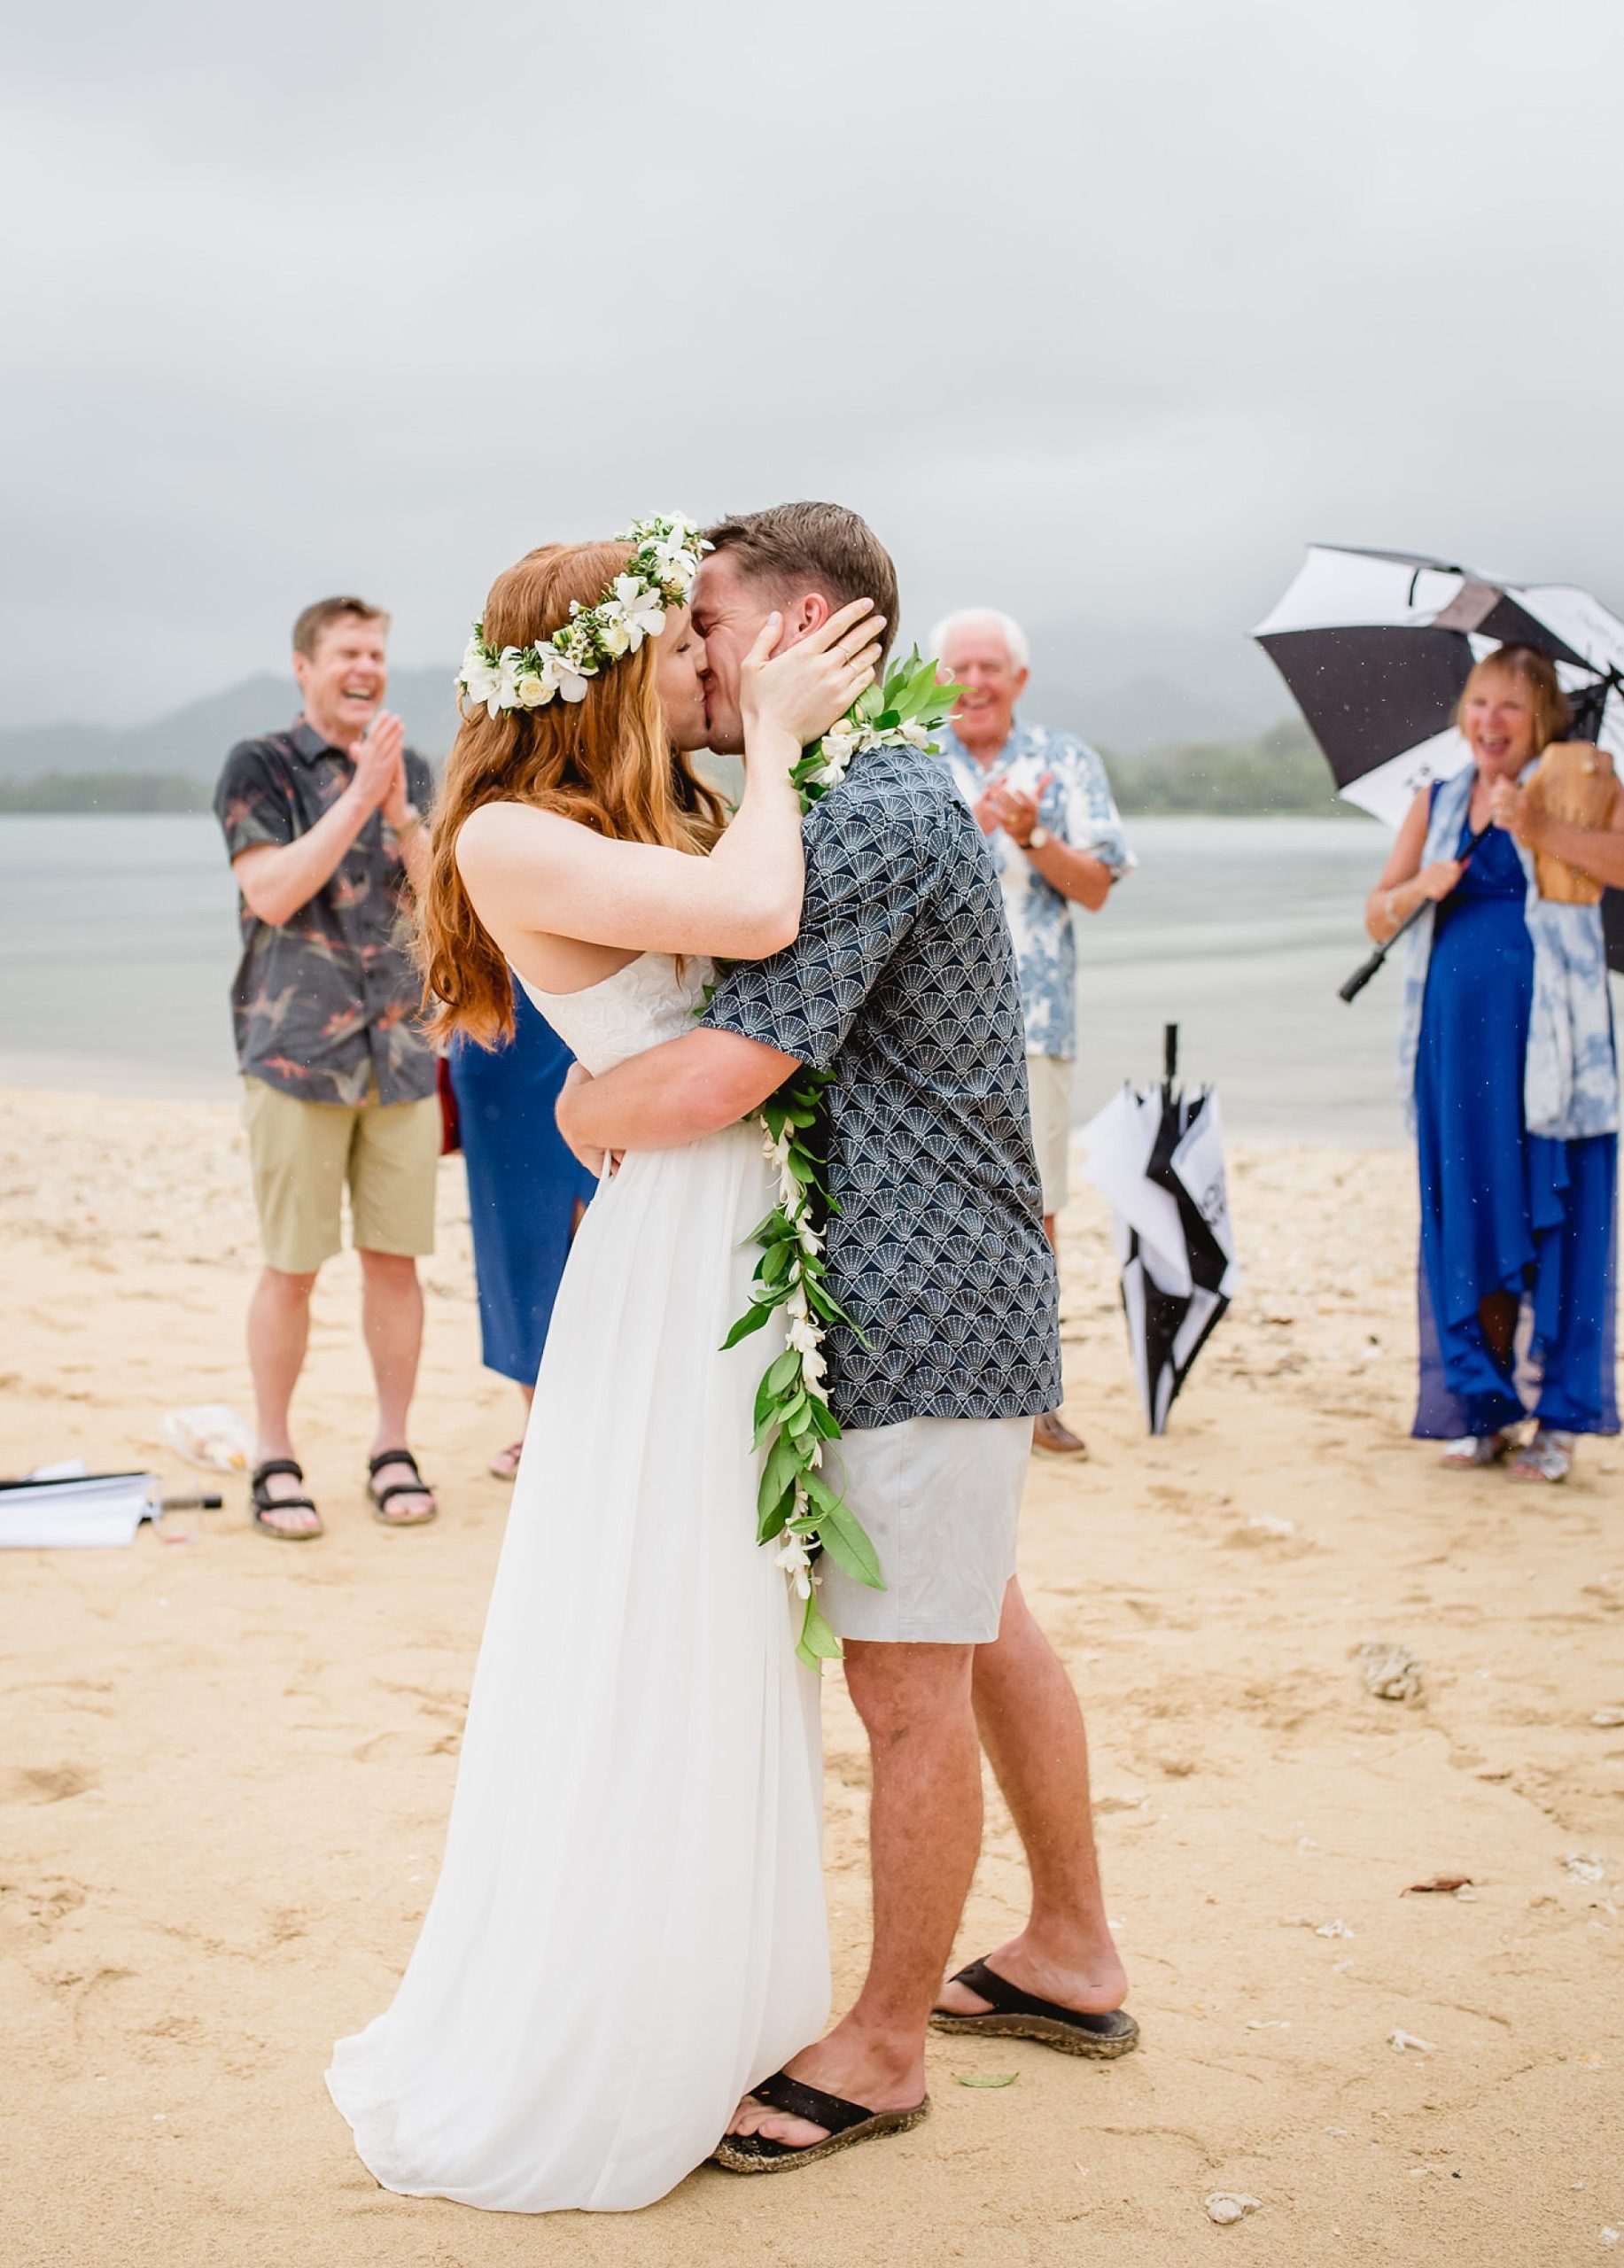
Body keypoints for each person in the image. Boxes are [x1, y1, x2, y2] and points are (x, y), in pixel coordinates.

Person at [559, 505, 1134, 2180]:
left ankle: (884, 2049)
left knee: (902, 1681)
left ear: (808, 625)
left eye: (709, 622)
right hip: (916, 1280)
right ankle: (1071, 1954)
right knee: (975, 1623)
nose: (693, 651)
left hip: (926, 1297)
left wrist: (584, 1101)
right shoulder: (839, 793)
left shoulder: (873, 809)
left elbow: (729, 1070)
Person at [325, 517, 886, 2211]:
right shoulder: (510, 834)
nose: (700, 673)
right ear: (591, 672)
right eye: (671, 650)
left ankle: (716, 1994)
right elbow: (760, 907)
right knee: (663, 1613)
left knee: (725, 1620)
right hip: (672, 1259)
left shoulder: (638, 814)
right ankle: (615, 2023)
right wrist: (781, 746)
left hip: (728, 1225)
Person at [214, 597, 441, 1539]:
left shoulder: (411, 767)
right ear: (304, 666)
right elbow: (270, 893)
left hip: (400, 1055)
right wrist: (358, 799)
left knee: (396, 1262)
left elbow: (443, 909)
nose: (366, 667)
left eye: (377, 652)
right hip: (295, 1055)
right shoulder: (259, 765)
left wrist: (402, 813)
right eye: (348, 651)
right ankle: (275, 1449)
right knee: (293, 1265)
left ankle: (392, 1443)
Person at [1366, 644, 1621, 1482]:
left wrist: (1537, 826)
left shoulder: (1585, 780)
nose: (1488, 722)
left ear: (1541, 716)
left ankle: (1559, 1419)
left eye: (1509, 707)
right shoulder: (1433, 801)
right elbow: (1376, 916)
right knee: (1471, 1219)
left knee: (1565, 1219)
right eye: (1478, 704)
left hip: (1554, 1047)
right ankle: (1482, 1409)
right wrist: (1419, 889)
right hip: (1457, 1046)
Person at [926, 608, 1135, 1456]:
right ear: (936, 677)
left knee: (1033, 1204)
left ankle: (1033, 1392)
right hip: (924, 1020)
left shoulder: (1065, 759)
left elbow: (1094, 887)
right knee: (929, 1199)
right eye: (959, 668)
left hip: (1032, 1019)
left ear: (1018, 679)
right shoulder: (903, 756)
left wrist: (1029, 833)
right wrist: (968, 829)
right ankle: (937, 1379)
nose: (973, 683)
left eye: (989, 667)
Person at [447, 984, 599, 1478]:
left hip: (598, 1003)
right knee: (517, 1233)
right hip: (497, 1010)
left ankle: (603, 1418)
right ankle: (542, 1422)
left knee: (607, 1226)